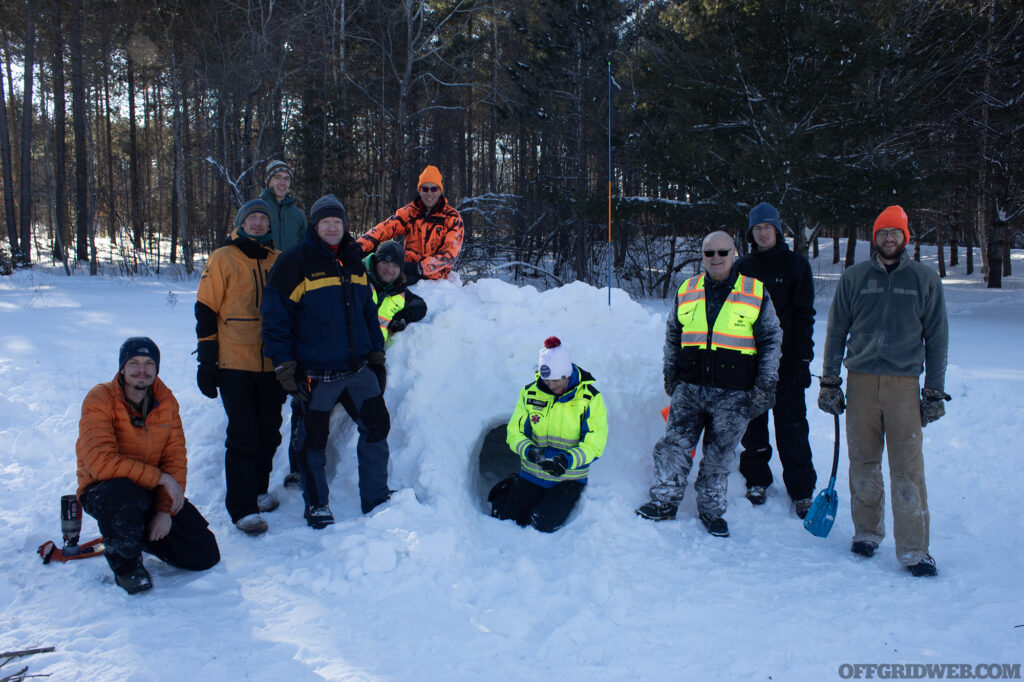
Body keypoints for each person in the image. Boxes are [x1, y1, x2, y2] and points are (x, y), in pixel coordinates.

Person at [818, 205, 949, 577]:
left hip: (903, 387)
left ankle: (914, 549)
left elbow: (937, 338)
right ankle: (867, 532)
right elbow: (836, 332)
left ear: (905, 238)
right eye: (882, 233)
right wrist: (830, 382)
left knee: (907, 469)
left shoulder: (924, 279)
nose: (888, 239)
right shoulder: (855, 277)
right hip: (860, 382)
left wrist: (934, 391)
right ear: (874, 238)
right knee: (863, 461)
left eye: (895, 233)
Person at [636, 231, 782, 537]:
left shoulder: (754, 292)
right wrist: (670, 371)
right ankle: (663, 502)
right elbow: (673, 334)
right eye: (709, 253)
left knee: (720, 454)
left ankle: (712, 510)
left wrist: (765, 384)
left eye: (722, 252)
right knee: (674, 446)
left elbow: (770, 340)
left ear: (734, 253)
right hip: (689, 387)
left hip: (734, 392)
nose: (715, 258)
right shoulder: (688, 289)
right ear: (702, 256)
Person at [261, 194, 391, 529]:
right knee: (312, 439)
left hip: (358, 369)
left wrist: (376, 354)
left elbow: (367, 312)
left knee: (377, 426)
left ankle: (375, 498)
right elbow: (276, 319)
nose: (332, 227)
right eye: (325, 222)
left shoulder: (353, 261)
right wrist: (284, 365)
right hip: (316, 373)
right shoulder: (294, 263)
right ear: (315, 226)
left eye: (338, 222)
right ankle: (317, 503)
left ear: (345, 226)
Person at [76, 338, 220, 594]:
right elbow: (100, 462)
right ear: (122, 368)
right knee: (123, 494)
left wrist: (165, 511)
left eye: (148, 363)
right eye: (134, 363)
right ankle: (127, 566)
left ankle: (134, 535)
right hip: (104, 490)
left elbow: (175, 457)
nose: (141, 370)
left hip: (147, 489)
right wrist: (162, 479)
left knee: (204, 553)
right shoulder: (100, 398)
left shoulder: (166, 402)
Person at [195, 199, 283, 536]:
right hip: (234, 362)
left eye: (263, 218)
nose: (258, 223)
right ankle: (242, 507)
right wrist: (207, 361)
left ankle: (259, 490)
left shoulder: (278, 260)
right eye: (252, 218)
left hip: (272, 363)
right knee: (244, 434)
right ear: (241, 223)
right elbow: (205, 309)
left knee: (269, 431)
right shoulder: (223, 258)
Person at [735, 202, 817, 518]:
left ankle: (801, 489)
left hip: (787, 361)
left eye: (768, 227)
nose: (763, 233)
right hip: (750, 363)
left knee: (792, 427)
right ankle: (757, 479)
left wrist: (802, 361)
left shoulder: (797, 266)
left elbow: (805, 316)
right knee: (754, 427)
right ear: (751, 234)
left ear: (778, 231)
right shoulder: (742, 268)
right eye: (757, 229)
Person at [491, 337, 607, 533]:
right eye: (546, 380)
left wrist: (566, 460)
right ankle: (513, 485)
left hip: (568, 479)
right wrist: (530, 451)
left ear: (567, 374)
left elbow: (595, 443)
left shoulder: (589, 398)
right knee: (506, 518)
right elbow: (514, 432)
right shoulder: (530, 393)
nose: (550, 385)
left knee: (541, 524)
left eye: (555, 380)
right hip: (532, 474)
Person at [357, 165, 464, 283]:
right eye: (425, 189)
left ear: (440, 191)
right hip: (406, 271)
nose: (429, 193)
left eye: (434, 189)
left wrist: (420, 267)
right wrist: (359, 247)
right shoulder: (410, 213)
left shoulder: (452, 217)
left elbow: (450, 255)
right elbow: (384, 228)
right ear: (420, 190)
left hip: (436, 280)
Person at [363, 239, 428, 344]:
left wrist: (400, 318)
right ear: (375, 262)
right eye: (385, 262)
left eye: (395, 265)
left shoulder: (397, 289)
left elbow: (419, 305)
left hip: (374, 352)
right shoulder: (357, 280)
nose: (389, 269)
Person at [260, 159, 307, 252]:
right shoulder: (254, 209)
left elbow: (305, 250)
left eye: (287, 178)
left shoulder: (298, 215)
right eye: (277, 177)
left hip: (291, 266)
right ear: (268, 181)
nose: (283, 182)